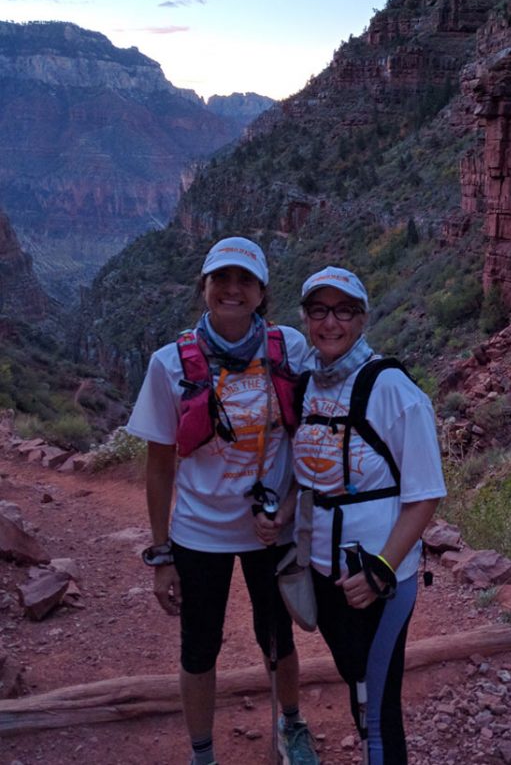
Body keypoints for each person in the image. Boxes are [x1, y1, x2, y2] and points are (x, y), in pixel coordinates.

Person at [126, 237, 320, 765]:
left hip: (269, 529)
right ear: (205, 287)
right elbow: (161, 463)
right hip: (197, 533)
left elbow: (311, 438)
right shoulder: (169, 364)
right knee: (198, 648)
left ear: (261, 292)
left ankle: (291, 726)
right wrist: (161, 553)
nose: (233, 290)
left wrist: (288, 509)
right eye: (222, 279)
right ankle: (202, 753)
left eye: (245, 281)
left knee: (277, 638)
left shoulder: (291, 350)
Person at [292, 266, 446, 764]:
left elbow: (425, 495)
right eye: (319, 310)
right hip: (324, 574)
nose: (330, 322)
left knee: (380, 711)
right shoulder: (305, 386)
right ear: (305, 318)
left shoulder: (394, 391)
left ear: (361, 319)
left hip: (381, 580)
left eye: (343, 311)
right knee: (356, 680)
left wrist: (381, 570)